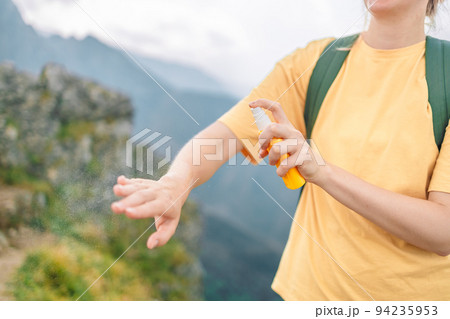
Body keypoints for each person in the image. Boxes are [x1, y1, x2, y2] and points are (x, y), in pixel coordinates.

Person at [111, 0, 450, 300]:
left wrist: (324, 173)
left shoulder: (444, 77)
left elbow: (443, 231)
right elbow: (224, 137)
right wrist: (176, 183)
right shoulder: (317, 62)